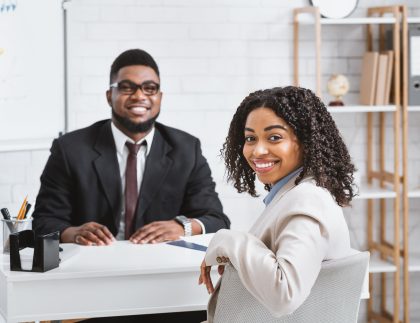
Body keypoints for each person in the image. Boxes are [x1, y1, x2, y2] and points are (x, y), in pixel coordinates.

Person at [32, 49, 230, 321]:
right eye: (127, 87)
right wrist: (73, 232)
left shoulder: (186, 148)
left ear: (159, 97)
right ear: (109, 95)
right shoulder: (70, 149)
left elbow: (217, 219)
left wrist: (181, 226)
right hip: (91, 287)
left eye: (150, 88)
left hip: (165, 289)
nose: (139, 96)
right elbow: (44, 221)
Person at [199, 86, 357, 321]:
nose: (257, 150)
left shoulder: (307, 202)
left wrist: (227, 239)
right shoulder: (298, 194)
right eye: (250, 138)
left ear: (306, 142)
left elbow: (285, 294)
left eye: (274, 137)